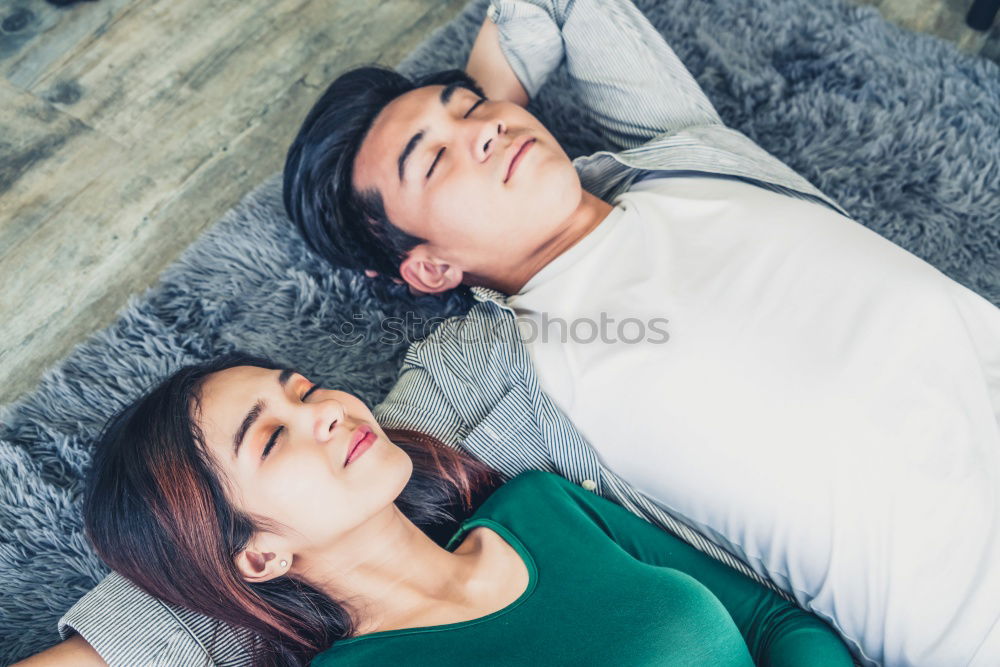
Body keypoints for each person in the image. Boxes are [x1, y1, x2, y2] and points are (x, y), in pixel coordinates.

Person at [24, 0, 1000, 665]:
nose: (479, 130)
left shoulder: (682, 152)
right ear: (428, 268)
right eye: (428, 159)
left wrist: (479, 97)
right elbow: (239, 519)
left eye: (471, 113)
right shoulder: (498, 370)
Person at [82, 355, 860, 665]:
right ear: (256, 555)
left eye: (305, 388)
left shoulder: (543, 504)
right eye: (271, 438)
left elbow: (773, 623)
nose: (324, 410)